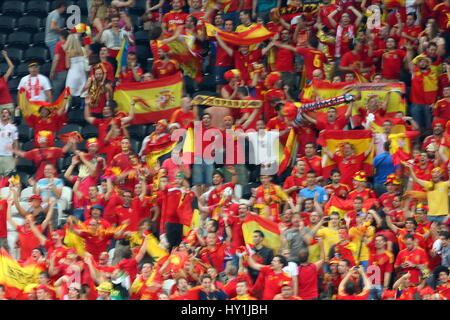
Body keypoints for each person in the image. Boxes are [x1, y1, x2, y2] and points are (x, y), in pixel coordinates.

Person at [64, 34, 88, 98]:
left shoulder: (68, 52)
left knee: (68, 94)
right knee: (83, 93)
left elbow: (67, 66)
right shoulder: (82, 50)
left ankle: (68, 107)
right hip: (82, 74)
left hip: (73, 74)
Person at [50, 30, 69, 99]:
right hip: (68, 71)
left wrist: (52, 71)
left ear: (61, 36)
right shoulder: (69, 44)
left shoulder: (59, 44)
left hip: (59, 71)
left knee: (55, 93)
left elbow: (56, 59)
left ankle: (54, 108)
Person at [0, 109, 18, 176]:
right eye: (2, 112)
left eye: (6, 112)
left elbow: (15, 142)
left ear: (9, 116)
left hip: (8, 156)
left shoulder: (13, 128)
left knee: (9, 178)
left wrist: (16, 155)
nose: (3, 114)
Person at [0, 51, 14, 115]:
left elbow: (11, 67)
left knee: (9, 124)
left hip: (8, 105)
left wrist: (6, 56)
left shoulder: (3, 79)